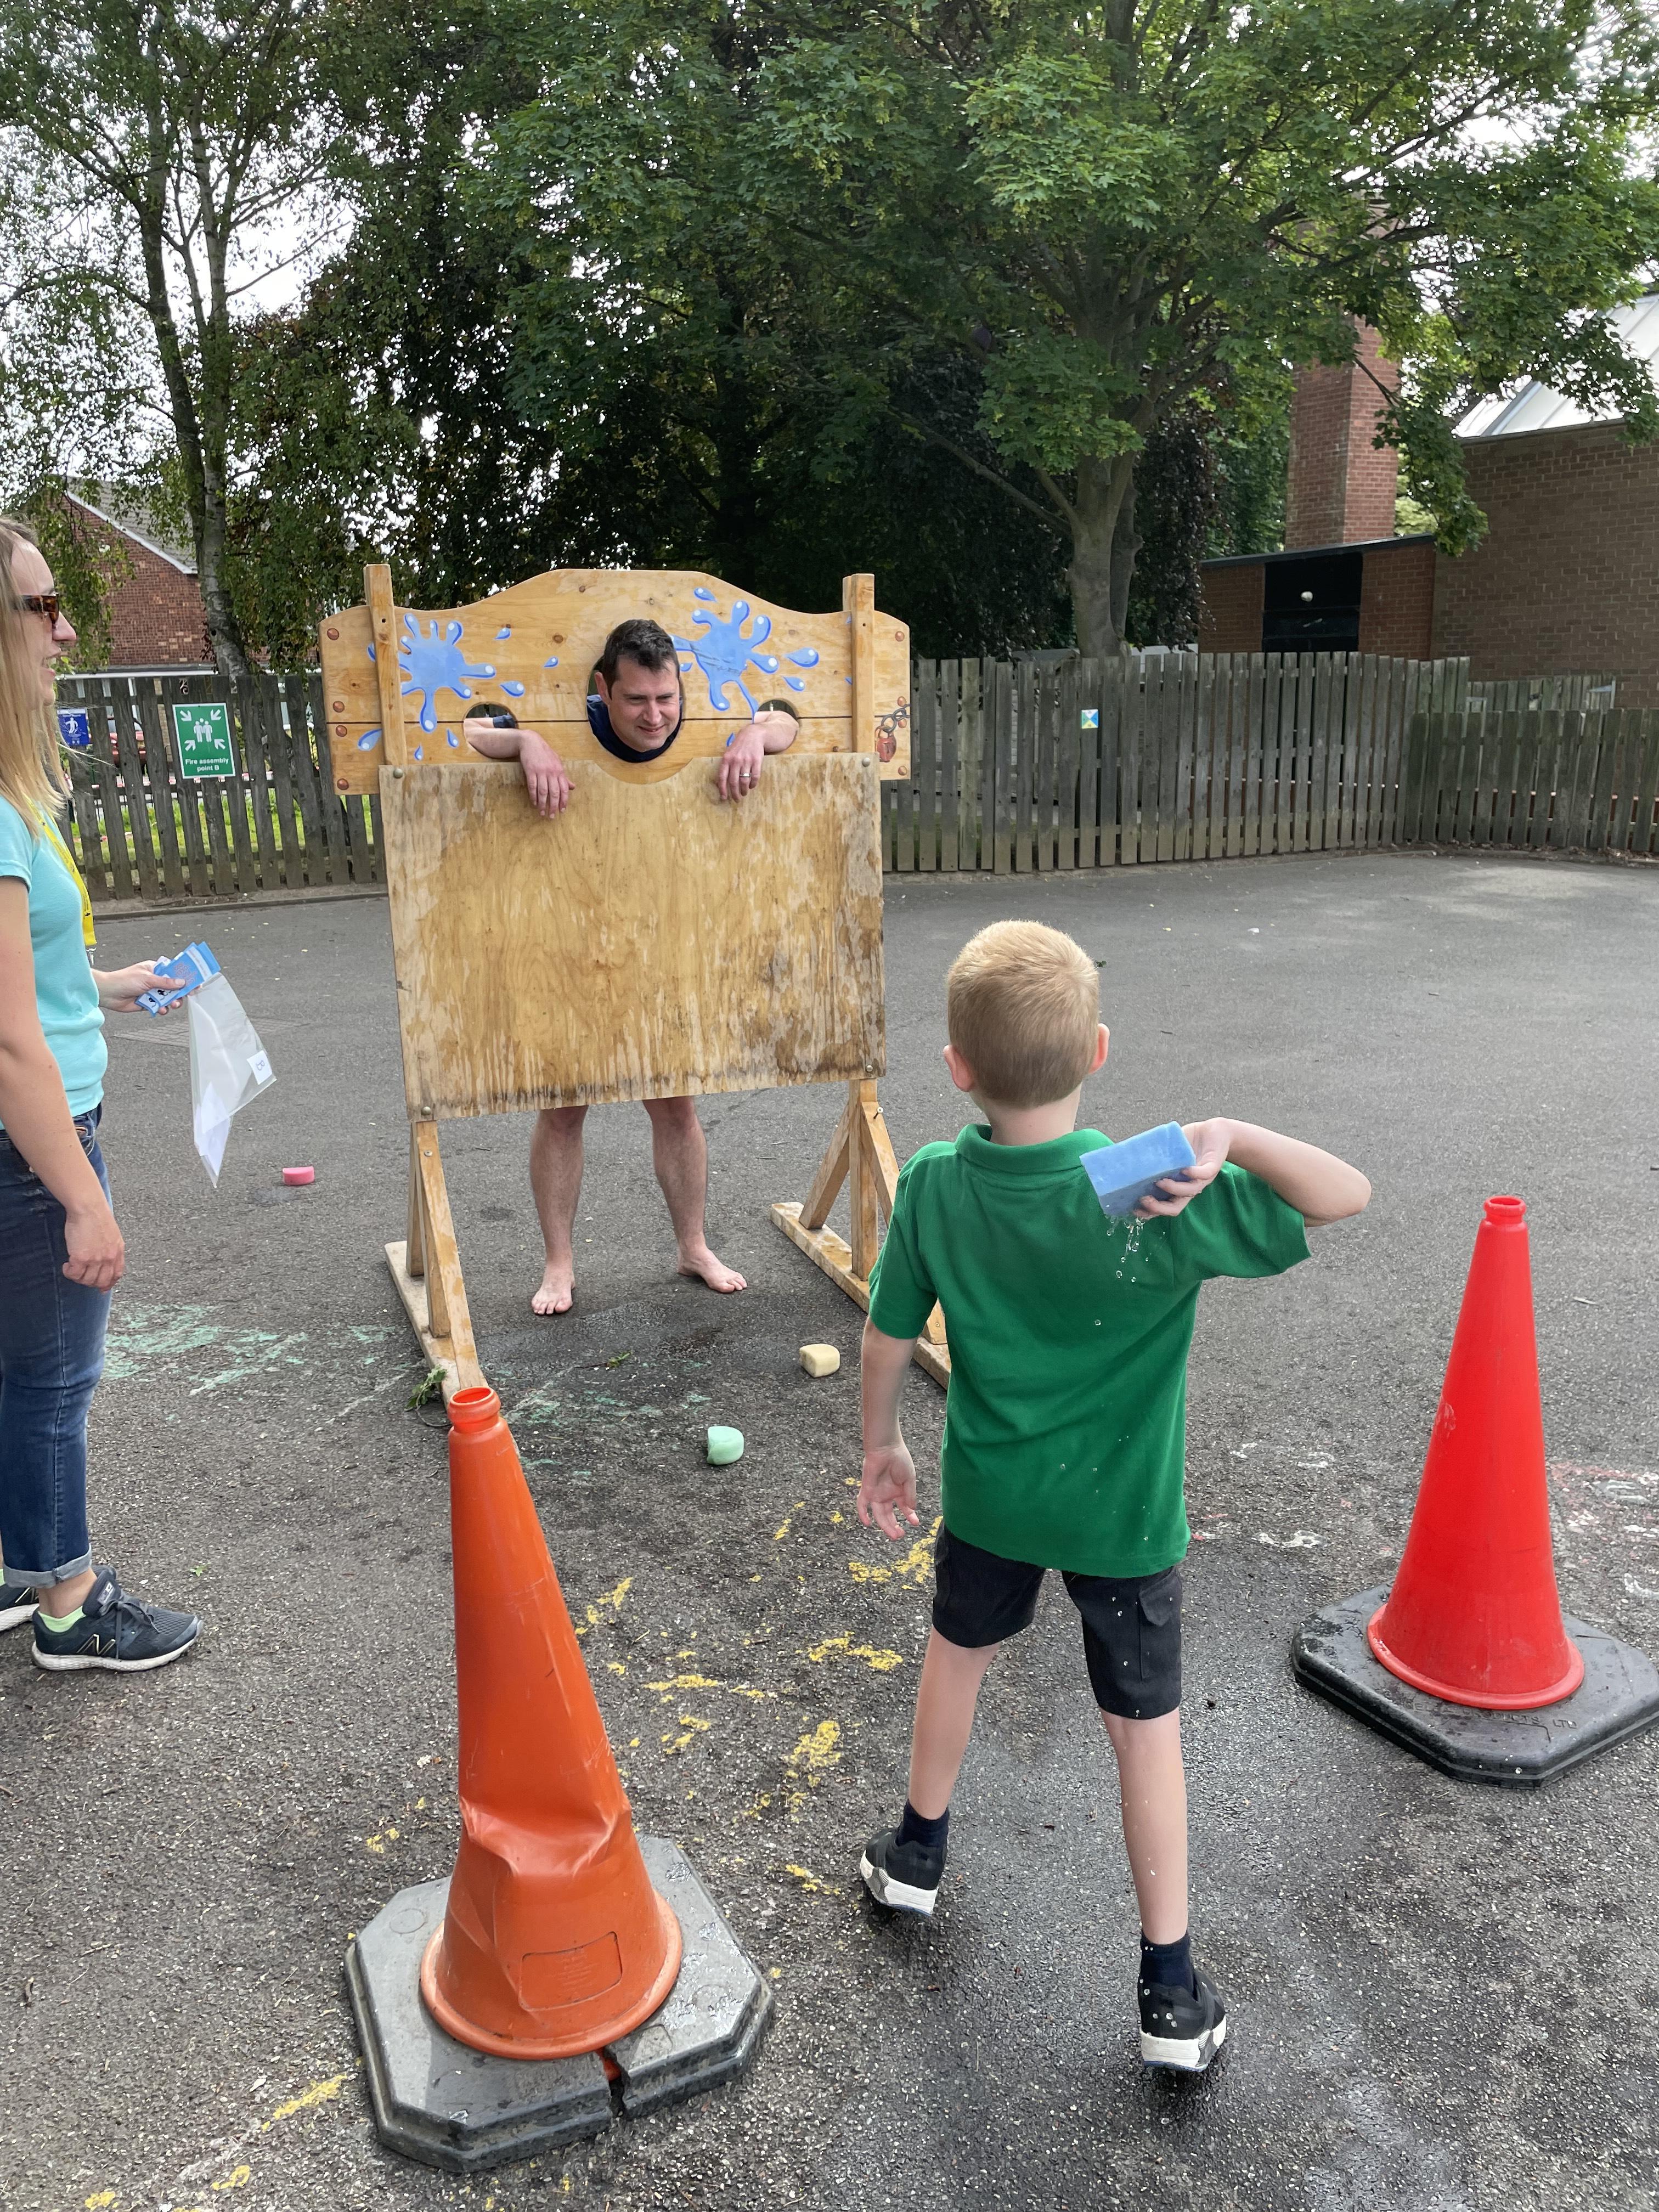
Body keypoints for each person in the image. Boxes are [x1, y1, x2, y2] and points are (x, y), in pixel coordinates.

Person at [853, 920, 1369, 2073]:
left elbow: (886, 1334)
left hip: (992, 1499)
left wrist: (882, 1444)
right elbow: (1346, 1192)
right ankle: (1169, 1991)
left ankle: (915, 1857)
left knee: (956, 1655)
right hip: (1123, 1521)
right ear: (1096, 1050)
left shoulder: (933, 1183)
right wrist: (1229, 1134)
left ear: (958, 1068)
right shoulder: (1160, 1196)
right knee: (1144, 1736)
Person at [464, 616, 801, 1316]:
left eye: (667, 698)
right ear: (602, 690)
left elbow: (793, 719)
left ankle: (694, 1246)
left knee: (676, 1104)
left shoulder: (700, 721)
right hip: (575, 925)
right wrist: (525, 741)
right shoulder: (573, 720)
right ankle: (559, 1263)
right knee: (564, 1106)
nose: (655, 716)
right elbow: (462, 730)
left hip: (664, 929)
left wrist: (757, 733)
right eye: (636, 700)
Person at [0, 514, 200, 1672]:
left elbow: (27, 982)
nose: (66, 630)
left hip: (25, 1136)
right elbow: (8, 1042)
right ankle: (70, 1605)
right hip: (34, 1145)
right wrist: (82, 1198)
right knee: (54, 1380)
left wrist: (111, 984)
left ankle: (16, 1565)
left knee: (16, 1371)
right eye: (43, 606)